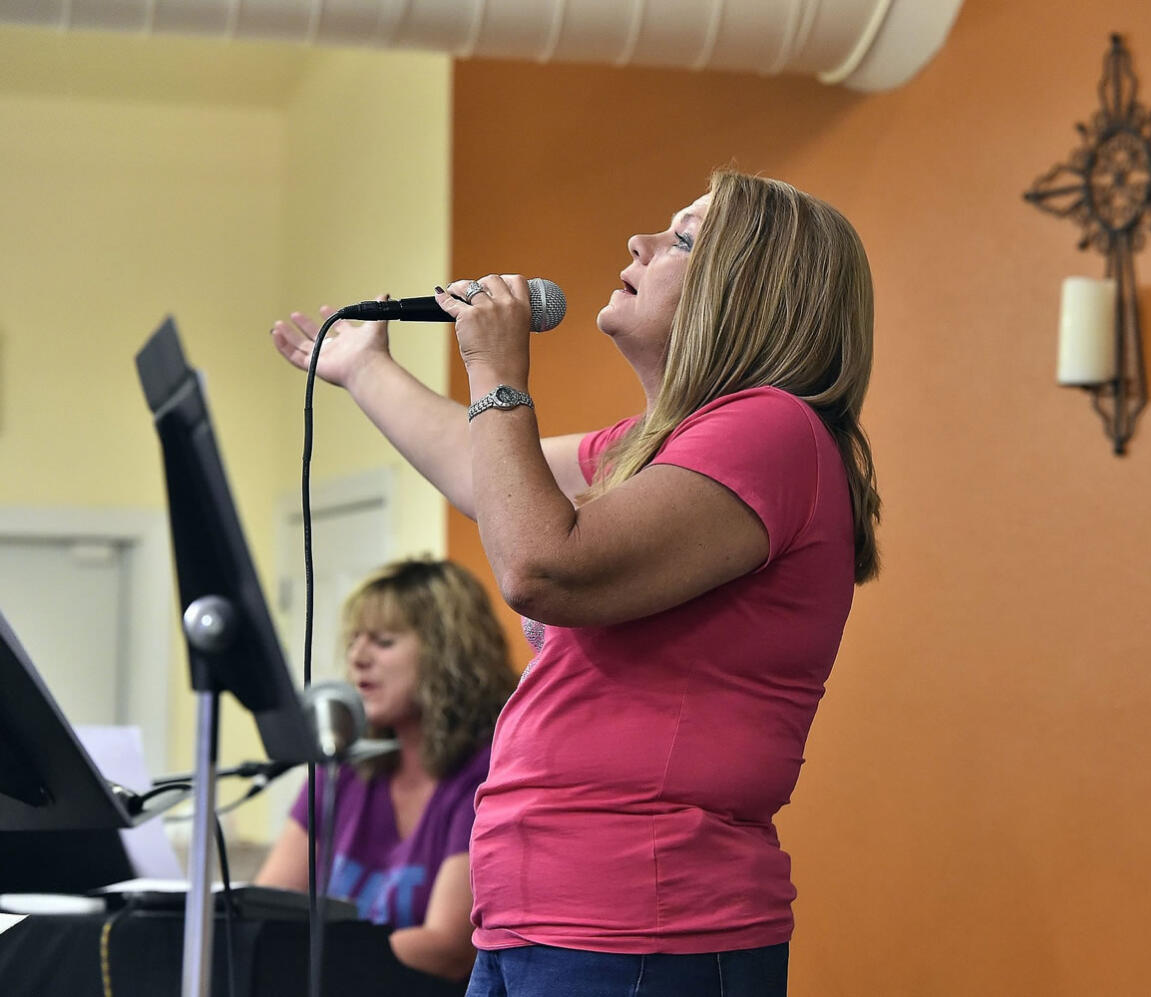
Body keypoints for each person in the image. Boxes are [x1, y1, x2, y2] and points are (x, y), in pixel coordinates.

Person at [270, 169, 881, 997]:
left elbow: (539, 565)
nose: (642, 243)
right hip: (548, 916)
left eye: (685, 240)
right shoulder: (661, 442)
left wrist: (494, 366)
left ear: (745, 296)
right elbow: (481, 474)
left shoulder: (770, 427)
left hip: (641, 922)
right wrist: (366, 370)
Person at [255, 557, 517, 982]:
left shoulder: (489, 771)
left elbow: (448, 947)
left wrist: (306, 959)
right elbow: (267, 905)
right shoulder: (340, 771)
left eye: (383, 641)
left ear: (447, 653)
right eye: (355, 639)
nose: (357, 657)